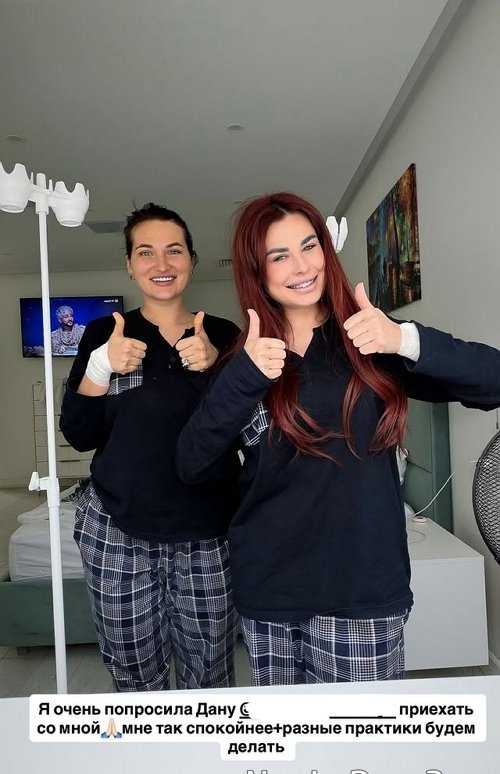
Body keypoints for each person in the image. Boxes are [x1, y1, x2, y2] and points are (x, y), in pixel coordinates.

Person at [176, 191, 500, 686]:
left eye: (310, 246)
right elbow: (191, 462)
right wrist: (243, 377)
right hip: (269, 591)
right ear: (256, 272)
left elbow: (493, 381)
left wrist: (402, 338)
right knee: (287, 735)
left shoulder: (369, 338)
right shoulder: (242, 362)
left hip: (361, 589)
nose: (302, 266)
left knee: (359, 734)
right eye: (279, 256)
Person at [60, 202, 241, 692]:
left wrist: (216, 370)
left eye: (173, 251)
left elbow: (245, 431)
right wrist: (101, 368)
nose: (161, 264)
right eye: (146, 252)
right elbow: (79, 434)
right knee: (135, 679)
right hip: (117, 532)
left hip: (207, 534)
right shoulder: (104, 333)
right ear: (129, 264)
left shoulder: (225, 335)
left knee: (210, 677)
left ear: (191, 260)